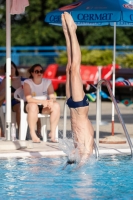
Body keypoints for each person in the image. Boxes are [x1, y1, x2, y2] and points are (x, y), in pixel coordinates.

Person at [61, 12, 94, 166]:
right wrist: (78, 169)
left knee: (68, 68)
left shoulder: (76, 148)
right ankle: (73, 31)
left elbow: (69, 163)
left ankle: (67, 34)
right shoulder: (87, 151)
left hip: (71, 107)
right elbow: (82, 164)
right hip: (80, 108)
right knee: (75, 69)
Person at [23, 64, 60, 143]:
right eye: (37, 71)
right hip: (30, 106)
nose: (39, 73)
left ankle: (52, 133)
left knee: (56, 105)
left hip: (43, 107)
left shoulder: (47, 82)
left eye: (41, 71)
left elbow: (52, 95)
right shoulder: (27, 82)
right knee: (33, 106)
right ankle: (33, 133)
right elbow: (29, 99)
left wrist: (51, 101)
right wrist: (42, 101)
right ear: (32, 73)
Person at [0, 61, 21, 136]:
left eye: (11, 68)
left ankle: (21, 132)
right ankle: (20, 132)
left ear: (15, 68)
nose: (10, 70)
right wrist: (14, 94)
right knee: (5, 90)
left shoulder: (22, 80)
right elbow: (2, 94)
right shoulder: (6, 80)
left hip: (22, 101)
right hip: (11, 101)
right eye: (7, 69)